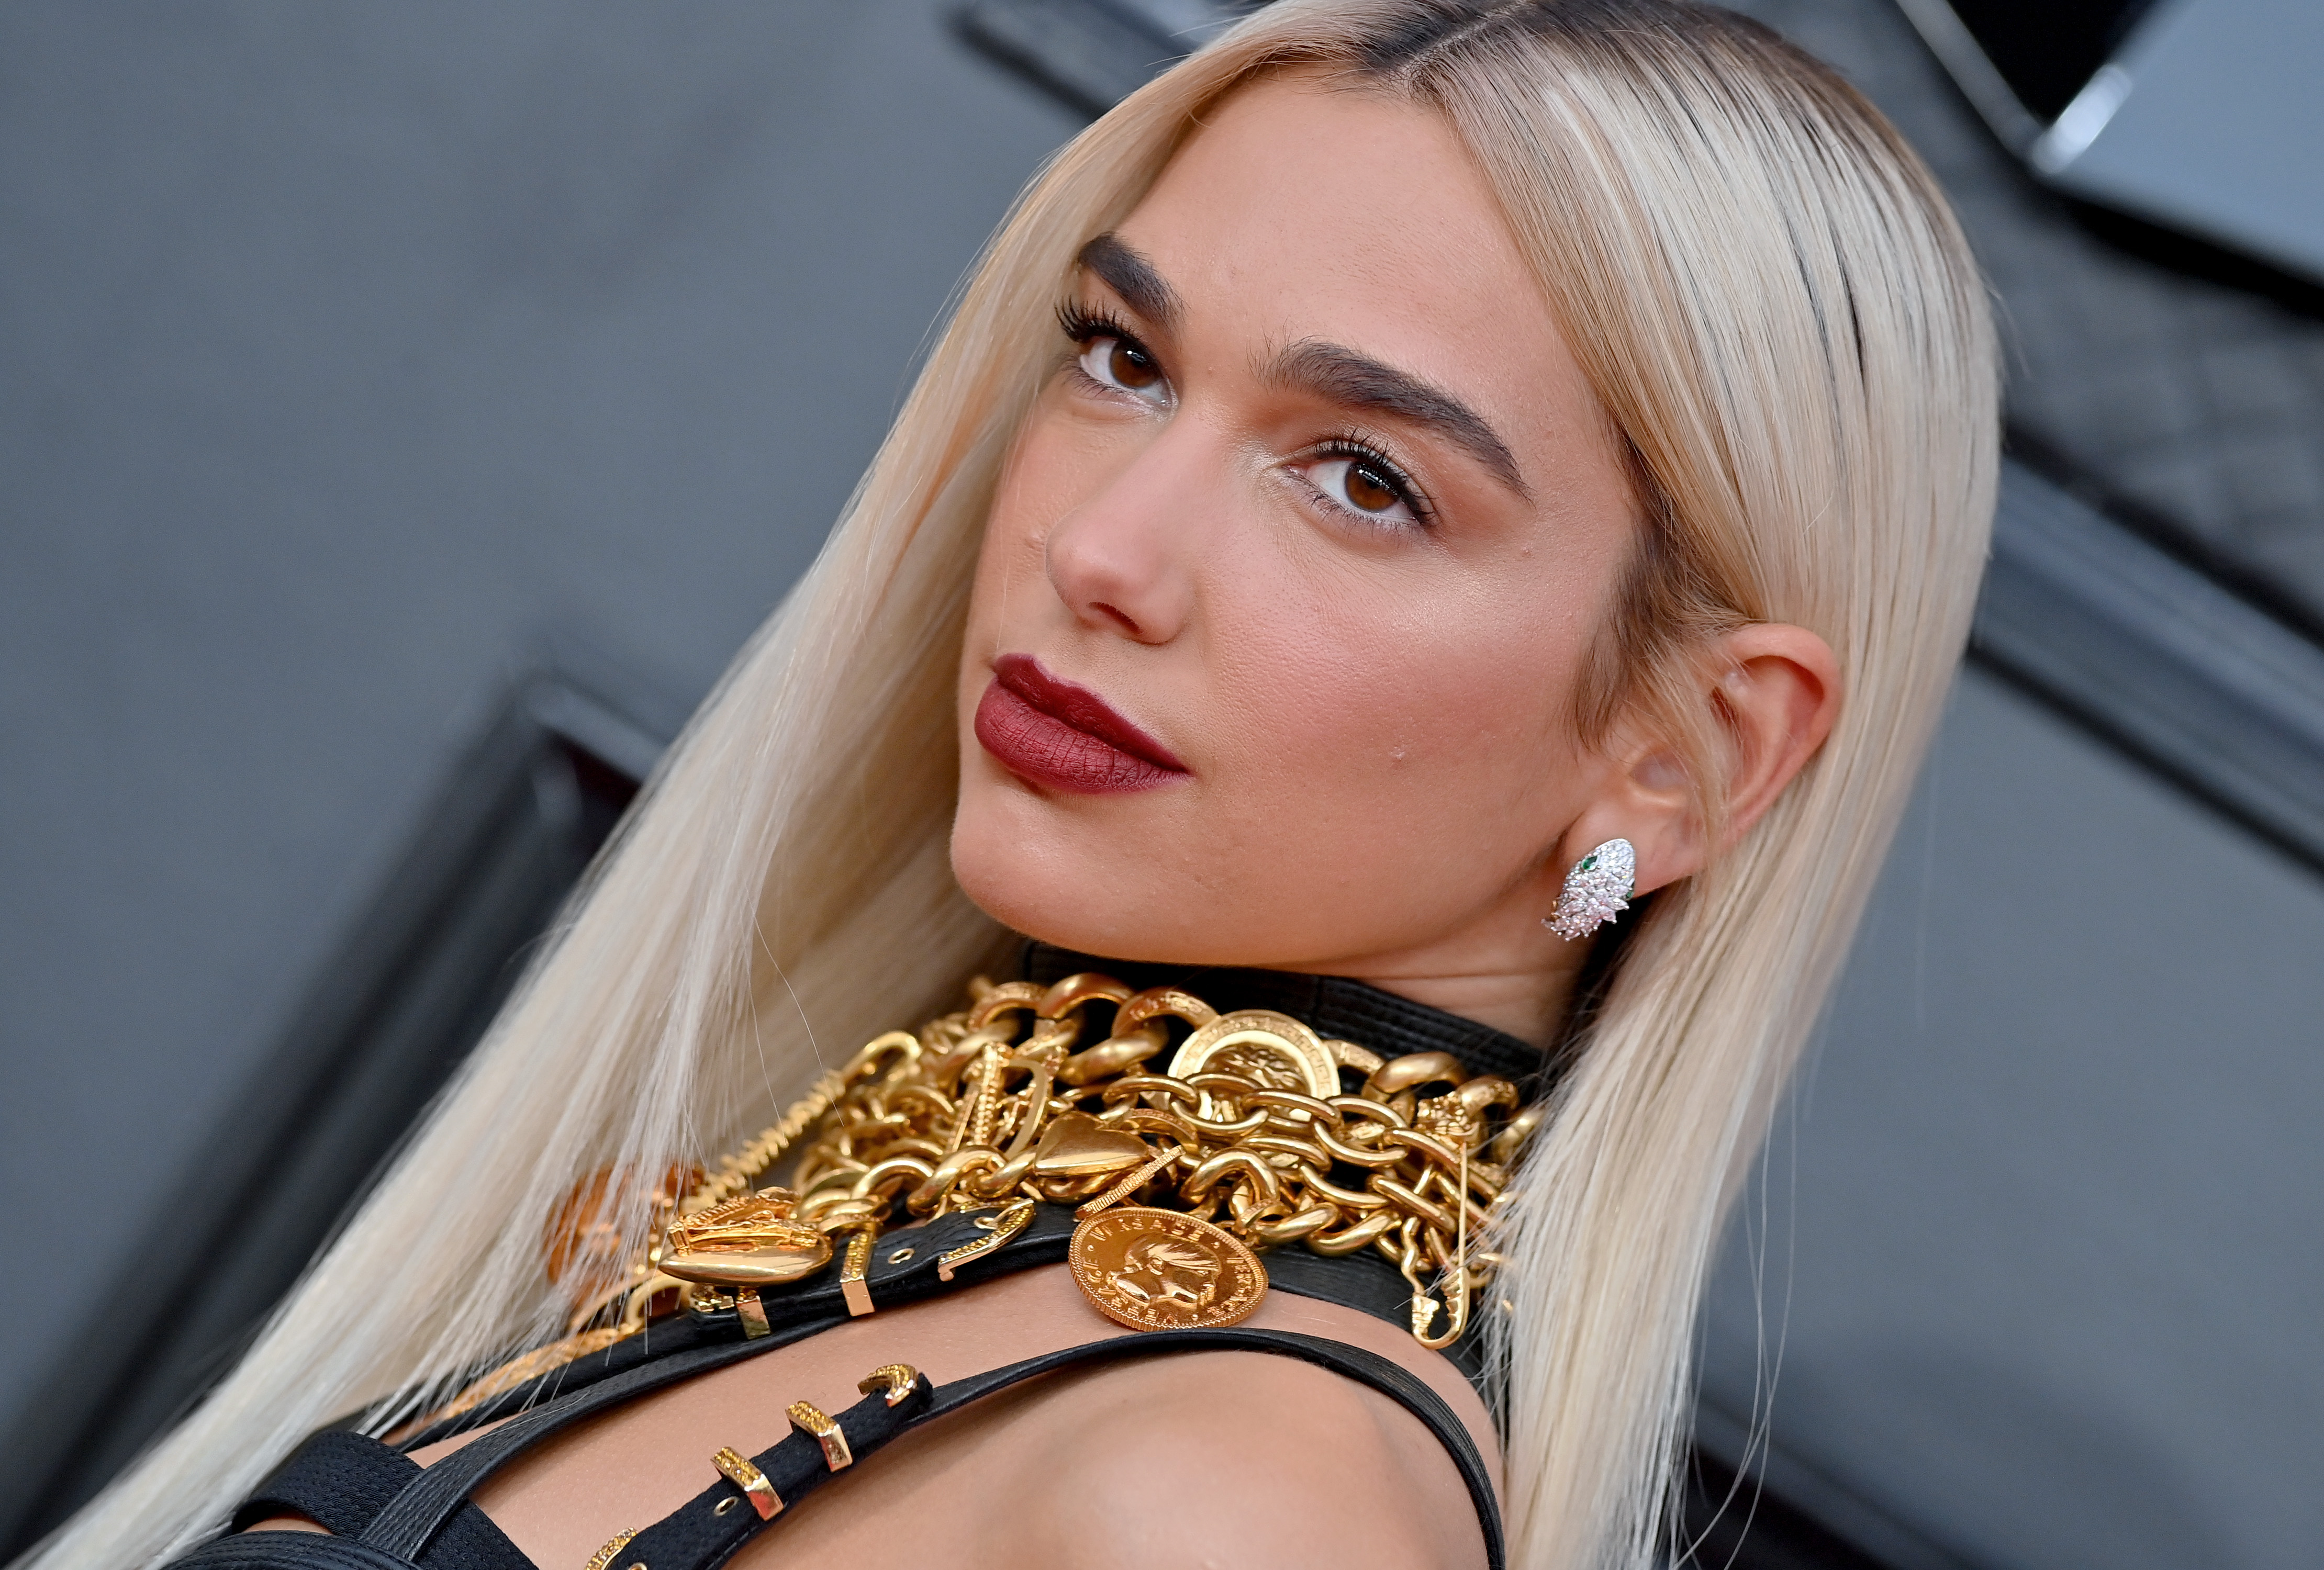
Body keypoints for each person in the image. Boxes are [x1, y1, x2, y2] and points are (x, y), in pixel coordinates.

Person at [29, 3, 1996, 1568]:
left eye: (1363, 479)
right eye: (1122, 358)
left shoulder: (1238, 1509)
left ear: (1680, 756)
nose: (1102, 549)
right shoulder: (935, 1233)